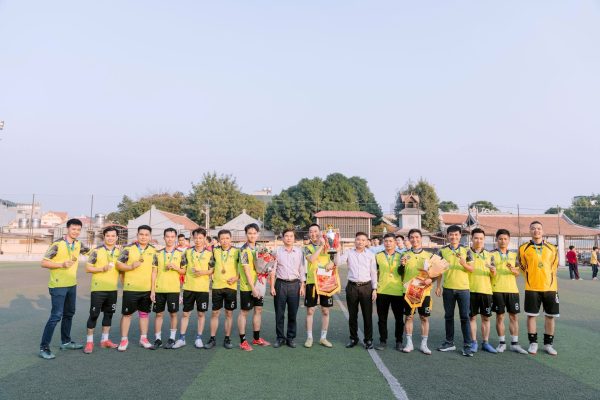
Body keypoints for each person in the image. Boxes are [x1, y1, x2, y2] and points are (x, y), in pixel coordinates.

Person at [39, 218, 90, 359]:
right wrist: (61, 264)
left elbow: (92, 253)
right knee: (56, 316)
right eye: (73, 229)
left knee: (69, 313)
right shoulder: (57, 244)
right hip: (58, 286)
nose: (76, 232)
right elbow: (44, 263)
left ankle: (66, 342)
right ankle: (44, 348)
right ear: (68, 229)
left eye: (78, 230)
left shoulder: (78, 244)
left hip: (72, 285)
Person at [517, 221, 559, 356]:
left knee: (550, 316)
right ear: (530, 231)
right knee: (531, 316)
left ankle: (548, 344)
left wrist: (548, 278)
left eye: (539, 228)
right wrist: (531, 276)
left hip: (550, 287)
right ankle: (533, 343)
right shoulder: (523, 248)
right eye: (533, 228)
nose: (536, 231)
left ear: (543, 231)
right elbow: (522, 266)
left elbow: (555, 266)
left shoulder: (552, 248)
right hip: (532, 287)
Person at [116, 225, 157, 351]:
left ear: (150, 236)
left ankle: (143, 338)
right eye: (141, 234)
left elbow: (154, 271)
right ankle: (124, 340)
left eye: (146, 235)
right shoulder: (128, 249)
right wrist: (130, 267)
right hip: (131, 289)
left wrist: (153, 290)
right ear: (137, 235)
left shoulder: (154, 251)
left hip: (146, 289)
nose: (144, 237)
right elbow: (118, 265)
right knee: (127, 314)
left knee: (144, 314)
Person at [436, 225, 474, 357]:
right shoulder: (442, 251)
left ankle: (467, 345)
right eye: (451, 235)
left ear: (460, 236)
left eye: (456, 234)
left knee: (465, 317)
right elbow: (438, 270)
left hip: (464, 289)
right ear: (447, 236)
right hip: (448, 288)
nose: (453, 237)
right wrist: (438, 286)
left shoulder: (467, 250)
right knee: (448, 316)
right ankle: (449, 342)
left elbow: (472, 269)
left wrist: (464, 264)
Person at [336, 232, 378, 350]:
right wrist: (338, 251)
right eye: (358, 239)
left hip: (366, 287)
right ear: (355, 240)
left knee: (367, 315)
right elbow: (337, 262)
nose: (360, 242)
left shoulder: (370, 255)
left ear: (367, 242)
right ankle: (353, 338)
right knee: (352, 315)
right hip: (352, 287)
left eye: (363, 240)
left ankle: (368, 340)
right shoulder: (349, 253)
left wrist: (374, 289)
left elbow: (373, 272)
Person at [83, 226, 121, 354]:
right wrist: (101, 269)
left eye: (113, 236)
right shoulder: (96, 251)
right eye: (108, 236)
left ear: (117, 237)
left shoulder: (120, 252)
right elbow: (88, 268)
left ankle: (105, 340)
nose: (110, 238)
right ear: (104, 237)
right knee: (94, 315)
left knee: (109, 314)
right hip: (98, 289)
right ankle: (89, 342)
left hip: (112, 289)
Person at [174, 228, 214, 349]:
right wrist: (176, 268)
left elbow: (212, 270)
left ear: (204, 238)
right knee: (185, 313)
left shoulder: (209, 253)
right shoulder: (187, 252)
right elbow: (183, 270)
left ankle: (198, 338)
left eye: (200, 238)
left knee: (201, 314)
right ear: (192, 238)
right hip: (189, 287)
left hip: (203, 289)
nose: (198, 240)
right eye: (195, 238)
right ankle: (181, 338)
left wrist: (202, 272)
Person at [490, 229, 527, 354]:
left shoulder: (514, 255)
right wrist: (492, 271)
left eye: (505, 239)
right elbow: (489, 272)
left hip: (512, 290)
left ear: (509, 240)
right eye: (500, 239)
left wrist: (513, 270)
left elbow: (517, 273)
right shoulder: (491, 255)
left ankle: (514, 344)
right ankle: (502, 343)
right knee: (500, 316)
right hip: (497, 289)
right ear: (496, 240)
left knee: (514, 316)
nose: (503, 241)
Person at [150, 228, 186, 349]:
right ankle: (158, 339)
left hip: (173, 289)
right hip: (159, 289)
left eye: (172, 237)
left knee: (173, 314)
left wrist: (176, 268)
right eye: (167, 237)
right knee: (158, 314)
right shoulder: (157, 253)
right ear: (164, 238)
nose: (170, 239)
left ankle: (172, 338)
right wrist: (153, 290)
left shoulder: (181, 253)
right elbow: (154, 272)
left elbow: (184, 271)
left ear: (175, 238)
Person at [270, 228, 306, 348]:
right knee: (279, 313)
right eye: (286, 236)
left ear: (294, 238)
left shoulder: (299, 252)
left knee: (292, 313)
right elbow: (273, 270)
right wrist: (272, 286)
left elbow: (302, 269)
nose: (289, 238)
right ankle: (280, 338)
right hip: (280, 284)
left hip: (295, 285)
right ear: (282, 238)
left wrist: (302, 285)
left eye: (291, 236)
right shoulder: (277, 252)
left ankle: (290, 338)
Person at [238, 223, 271, 351]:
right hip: (248, 287)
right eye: (249, 233)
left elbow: (265, 264)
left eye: (254, 233)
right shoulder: (243, 250)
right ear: (246, 234)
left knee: (258, 310)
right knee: (244, 312)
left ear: (258, 234)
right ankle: (243, 341)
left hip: (260, 285)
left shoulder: (261, 248)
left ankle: (256, 338)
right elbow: (246, 270)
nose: (252, 235)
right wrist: (253, 287)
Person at [205, 230, 240, 350]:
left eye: (227, 238)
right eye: (222, 238)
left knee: (229, 313)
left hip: (231, 287)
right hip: (217, 286)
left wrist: (236, 278)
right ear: (219, 240)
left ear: (231, 239)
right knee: (215, 313)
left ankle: (227, 338)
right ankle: (212, 338)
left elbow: (242, 269)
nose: (225, 240)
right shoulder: (214, 251)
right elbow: (210, 266)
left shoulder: (237, 251)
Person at [401, 229, 433, 355]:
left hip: (424, 291)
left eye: (417, 237)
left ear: (421, 238)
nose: (414, 239)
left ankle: (424, 345)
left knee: (424, 317)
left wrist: (431, 279)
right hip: (409, 291)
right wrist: (402, 266)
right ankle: (409, 343)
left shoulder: (429, 255)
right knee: (409, 317)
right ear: (409, 239)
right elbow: (400, 273)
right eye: (412, 237)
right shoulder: (404, 255)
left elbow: (435, 273)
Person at [466, 228, 497, 354]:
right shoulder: (467, 253)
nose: (478, 241)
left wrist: (493, 270)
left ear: (484, 240)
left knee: (486, 318)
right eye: (476, 238)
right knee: (472, 317)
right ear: (471, 239)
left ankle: (485, 343)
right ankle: (474, 342)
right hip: (470, 290)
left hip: (486, 291)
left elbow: (493, 275)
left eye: (481, 238)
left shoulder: (490, 255)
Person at [303, 224, 334, 349]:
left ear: (320, 232)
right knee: (310, 310)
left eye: (315, 231)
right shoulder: (306, 247)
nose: (313, 234)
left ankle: (323, 338)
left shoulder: (329, 246)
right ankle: (309, 337)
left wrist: (332, 264)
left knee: (325, 310)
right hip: (312, 281)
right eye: (311, 231)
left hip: (326, 281)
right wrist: (321, 246)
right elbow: (312, 259)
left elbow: (334, 260)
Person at [374, 233, 404, 351]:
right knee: (382, 318)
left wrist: (403, 265)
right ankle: (383, 340)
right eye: (386, 241)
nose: (388, 243)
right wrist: (374, 288)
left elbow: (403, 272)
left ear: (395, 243)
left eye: (391, 241)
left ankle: (399, 341)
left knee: (399, 319)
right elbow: (374, 273)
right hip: (382, 291)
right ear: (383, 242)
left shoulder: (401, 256)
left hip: (398, 291)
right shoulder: (378, 256)